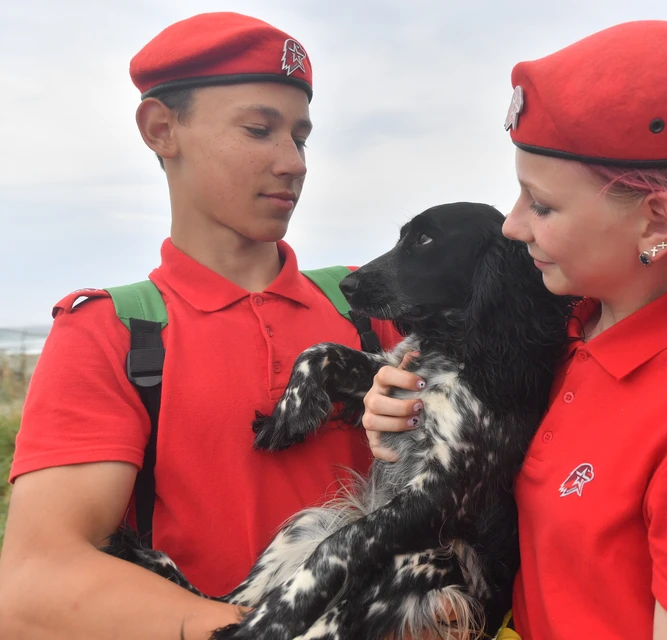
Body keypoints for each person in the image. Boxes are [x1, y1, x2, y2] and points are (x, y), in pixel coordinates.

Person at [361, 20, 667, 640]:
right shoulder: (563, 333)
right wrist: (408, 420)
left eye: (541, 205)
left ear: (656, 223)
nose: (513, 227)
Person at [0, 12, 401, 639]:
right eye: (259, 129)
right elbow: (36, 584)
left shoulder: (370, 308)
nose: (292, 162)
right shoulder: (110, 331)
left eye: (300, 136)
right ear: (162, 130)